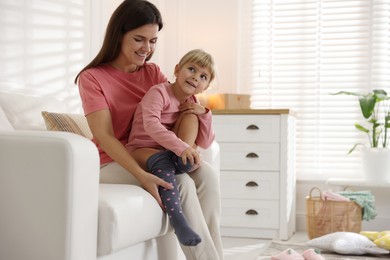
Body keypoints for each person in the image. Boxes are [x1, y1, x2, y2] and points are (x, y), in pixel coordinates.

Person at [74, 1, 223, 259]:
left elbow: (182, 109)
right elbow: (105, 137)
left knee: (207, 175)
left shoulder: (152, 72)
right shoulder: (92, 78)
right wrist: (141, 176)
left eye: (153, 41)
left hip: (157, 154)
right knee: (181, 183)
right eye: (139, 39)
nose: (147, 49)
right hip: (113, 161)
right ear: (118, 34)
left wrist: (192, 135)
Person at [126, 49, 216, 247]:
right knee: (162, 161)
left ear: (205, 87)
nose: (195, 77)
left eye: (203, 76)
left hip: (170, 150)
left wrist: (204, 113)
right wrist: (183, 147)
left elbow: (206, 142)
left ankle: (180, 161)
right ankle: (178, 220)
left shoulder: (192, 102)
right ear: (177, 70)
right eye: (191, 69)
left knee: (191, 115)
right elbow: (151, 125)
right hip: (142, 147)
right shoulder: (159, 92)